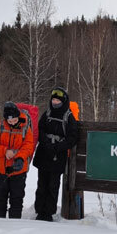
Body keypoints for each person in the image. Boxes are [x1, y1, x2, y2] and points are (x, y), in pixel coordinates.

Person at [33, 87, 79, 221]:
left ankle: (48, 213)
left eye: (57, 100)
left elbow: (72, 137)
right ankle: (39, 210)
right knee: (41, 184)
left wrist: (58, 146)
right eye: (53, 100)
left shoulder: (68, 116)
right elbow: (40, 129)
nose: (55, 102)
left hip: (57, 156)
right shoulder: (47, 113)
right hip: (44, 154)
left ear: (63, 101)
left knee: (53, 185)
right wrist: (46, 142)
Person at [0, 102, 35, 219]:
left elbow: (28, 146)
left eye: (14, 120)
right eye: (10, 121)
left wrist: (20, 158)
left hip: (18, 170)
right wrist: (5, 151)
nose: (13, 122)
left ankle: (14, 224)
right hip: (0, 170)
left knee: (17, 199)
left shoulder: (25, 128)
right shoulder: (0, 127)